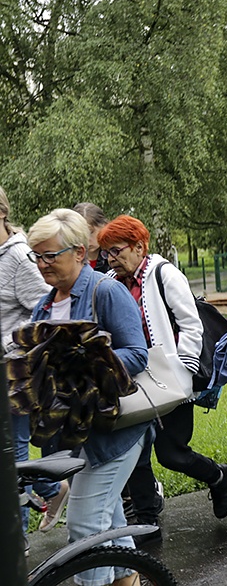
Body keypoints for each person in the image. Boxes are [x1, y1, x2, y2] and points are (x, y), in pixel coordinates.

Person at [28, 209, 150, 585]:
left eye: (51, 255)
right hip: (76, 433)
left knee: (83, 529)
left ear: (80, 252)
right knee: (108, 518)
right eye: (38, 255)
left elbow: (138, 352)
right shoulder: (43, 306)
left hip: (115, 433)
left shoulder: (106, 290)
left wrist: (84, 364)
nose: (43, 264)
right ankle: (129, 578)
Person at [98, 215, 227, 542]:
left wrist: (183, 369)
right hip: (130, 380)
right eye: (107, 253)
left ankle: (217, 476)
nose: (111, 259)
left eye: (116, 251)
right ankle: (147, 520)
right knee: (134, 453)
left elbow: (191, 325)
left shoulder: (163, 273)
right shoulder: (111, 283)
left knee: (172, 454)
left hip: (168, 378)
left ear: (139, 247)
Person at [1, 188, 60, 542]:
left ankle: (17, 539)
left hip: (14, 367)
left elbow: (45, 309)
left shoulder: (21, 258)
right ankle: (51, 488)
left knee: (15, 449)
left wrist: (12, 344)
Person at [73, 202, 110, 273]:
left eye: (91, 232)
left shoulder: (114, 256)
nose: (87, 240)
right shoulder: (67, 259)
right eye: (80, 234)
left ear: (104, 226)